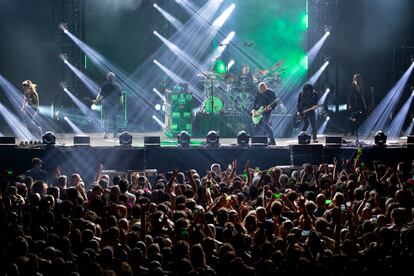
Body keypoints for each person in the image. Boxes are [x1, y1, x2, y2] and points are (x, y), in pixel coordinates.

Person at [93, 72, 122, 139]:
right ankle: (115, 134)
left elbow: (100, 95)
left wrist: (96, 101)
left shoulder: (104, 86)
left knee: (106, 119)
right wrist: (121, 104)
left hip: (106, 104)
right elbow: (120, 96)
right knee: (114, 119)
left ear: (107, 78)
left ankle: (105, 134)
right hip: (114, 105)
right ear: (114, 78)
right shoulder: (117, 86)